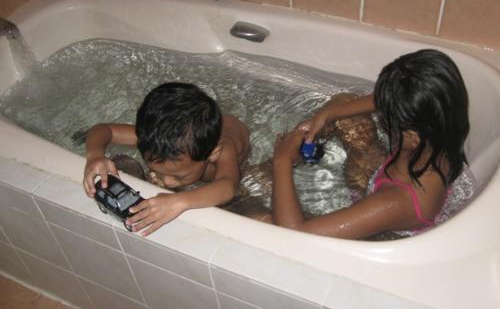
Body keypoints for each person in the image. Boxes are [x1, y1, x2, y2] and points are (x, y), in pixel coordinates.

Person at [271, 49, 476, 239]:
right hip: (390, 176)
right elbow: (381, 101)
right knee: (343, 102)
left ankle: (269, 172)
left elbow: (294, 236)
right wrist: (328, 114)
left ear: (414, 137)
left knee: (262, 219)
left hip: (382, 218)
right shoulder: (441, 128)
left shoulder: (394, 202)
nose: (381, 116)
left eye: (387, 117)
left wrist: (282, 162)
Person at [83, 82, 250, 236]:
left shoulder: (223, 150)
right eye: (157, 170)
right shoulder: (157, 141)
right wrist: (95, 156)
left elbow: (227, 186)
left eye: (178, 176)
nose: (167, 182)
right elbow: (103, 130)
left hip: (238, 159)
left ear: (212, 153)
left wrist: (179, 201)